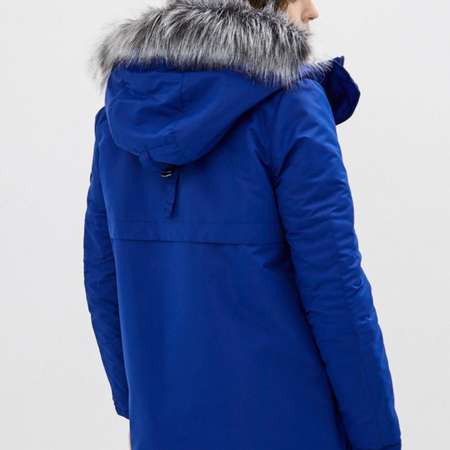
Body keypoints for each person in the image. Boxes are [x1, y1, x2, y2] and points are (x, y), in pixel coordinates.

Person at [84, 0, 402, 449]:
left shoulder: (122, 115)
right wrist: (378, 437)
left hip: (166, 428)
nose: (312, 10)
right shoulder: (292, 106)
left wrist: (143, 403)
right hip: (294, 426)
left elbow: (103, 280)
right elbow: (336, 287)